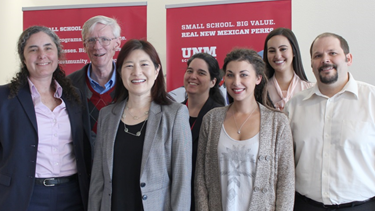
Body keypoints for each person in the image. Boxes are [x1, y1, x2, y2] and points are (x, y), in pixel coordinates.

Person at [88, 39, 192, 211]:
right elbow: (98, 179)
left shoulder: (175, 114)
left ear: (157, 70)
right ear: (120, 72)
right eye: (129, 66)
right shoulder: (107, 116)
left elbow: (182, 180)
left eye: (144, 64)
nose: (137, 72)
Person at [0, 26, 91, 211]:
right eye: (33, 49)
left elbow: (84, 147)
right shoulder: (4, 98)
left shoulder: (74, 96)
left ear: (58, 54)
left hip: (72, 194)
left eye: (48, 48)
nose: (42, 55)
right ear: (23, 58)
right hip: (25, 195)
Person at [195, 48, 294, 211]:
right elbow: (201, 179)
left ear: (258, 78)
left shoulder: (277, 122)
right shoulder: (211, 119)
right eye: (230, 75)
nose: (236, 82)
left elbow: (286, 182)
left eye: (244, 75)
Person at [285, 32, 375, 210]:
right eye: (318, 56)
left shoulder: (372, 100)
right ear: (311, 64)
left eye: (332, 53)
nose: (325, 60)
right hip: (306, 205)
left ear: (348, 59)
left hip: (362, 206)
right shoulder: (294, 106)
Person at [68, 15, 121, 151]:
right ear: (84, 45)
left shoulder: (129, 83)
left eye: (105, 39)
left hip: (120, 167)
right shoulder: (68, 86)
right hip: (83, 168)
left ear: (117, 43)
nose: (97, 47)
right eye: (91, 40)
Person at [182, 53, 225, 211]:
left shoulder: (220, 116)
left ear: (213, 81)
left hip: (206, 200)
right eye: (190, 71)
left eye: (201, 73)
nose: (193, 76)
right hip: (178, 197)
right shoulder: (174, 113)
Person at [263, 27, 314, 110]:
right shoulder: (261, 91)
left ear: (294, 51)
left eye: (283, 49)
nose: (278, 56)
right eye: (272, 51)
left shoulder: (310, 90)